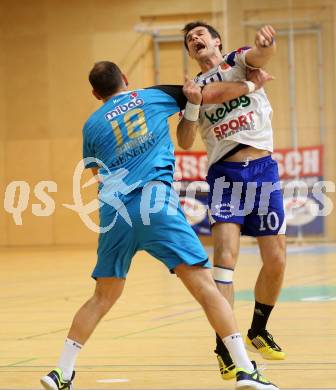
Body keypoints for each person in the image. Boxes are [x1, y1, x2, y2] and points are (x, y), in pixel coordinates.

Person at [40, 61, 278, 390]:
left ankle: (61, 372)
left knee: (102, 297)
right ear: (125, 79)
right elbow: (205, 94)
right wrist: (251, 86)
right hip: (156, 205)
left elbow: (96, 173)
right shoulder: (152, 96)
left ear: (96, 94)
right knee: (207, 289)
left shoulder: (91, 125)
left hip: (115, 215)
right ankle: (244, 368)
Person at [178, 22, 286, 381]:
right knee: (224, 263)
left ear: (216, 41)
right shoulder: (194, 88)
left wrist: (264, 45)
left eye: (200, 35)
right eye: (189, 39)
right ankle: (225, 347)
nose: (194, 40)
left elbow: (261, 56)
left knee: (276, 260)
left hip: (264, 171)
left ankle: (258, 328)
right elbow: (186, 139)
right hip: (225, 174)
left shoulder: (238, 61)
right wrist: (191, 105)